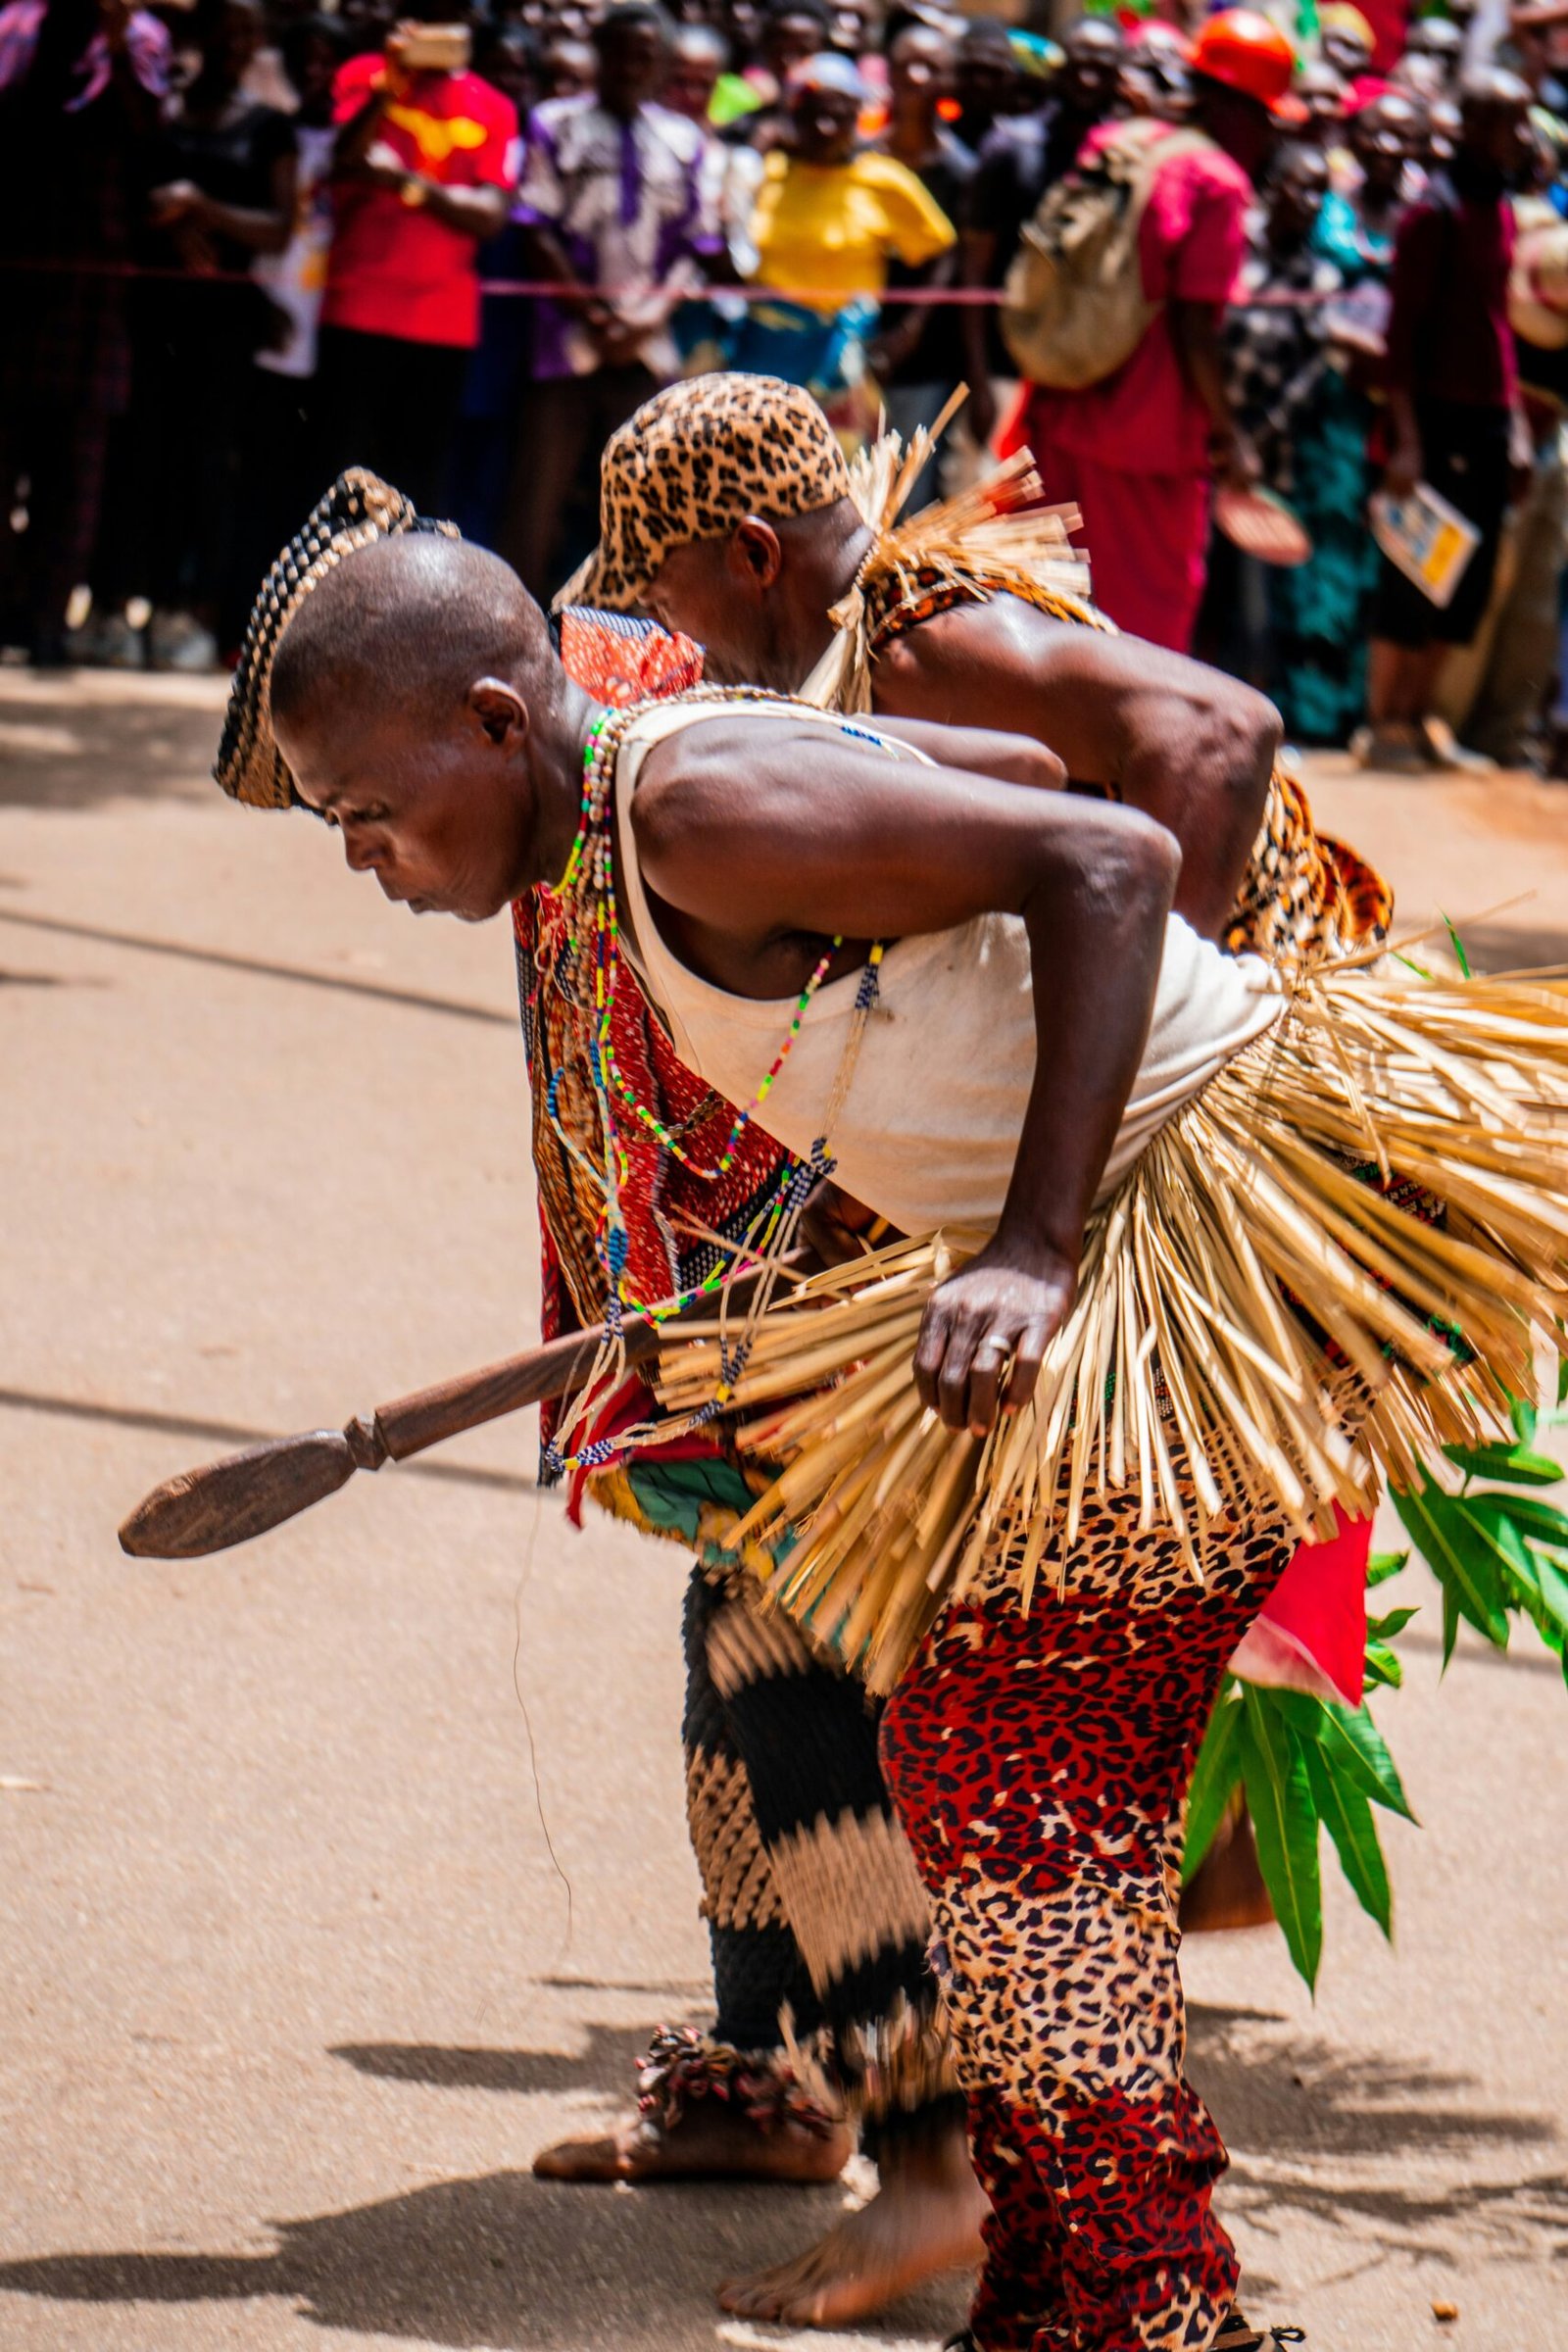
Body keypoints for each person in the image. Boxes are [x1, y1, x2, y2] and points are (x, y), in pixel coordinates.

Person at [209, 466, 1568, 2352]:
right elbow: (1011, 807)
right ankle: (1081, 2275)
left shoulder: (685, 804)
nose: (365, 855)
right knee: (988, 1753)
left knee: (1016, 1772)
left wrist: (1026, 1238)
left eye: (366, 811)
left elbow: (1108, 860)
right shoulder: (657, 802)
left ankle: (1136, 2298)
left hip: (1210, 1219)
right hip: (1150, 1203)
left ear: (500, 725)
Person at [543, 371, 1395, 2323]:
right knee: (897, 1674)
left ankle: (1060, 2221)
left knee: (993, 1737)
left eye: (672, 587)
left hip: (1193, 1144)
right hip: (1104, 1128)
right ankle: (920, 2135)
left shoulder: (919, 617)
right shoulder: (840, 664)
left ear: (748, 551)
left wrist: (1088, 1120)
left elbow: (1216, 724)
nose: (677, 634)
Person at [1006, 8, 1292, 654]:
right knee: (1145, 629)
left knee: (1043, 607)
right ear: (1243, 108)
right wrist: (1229, 432)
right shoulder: (1218, 182)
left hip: (1064, 399)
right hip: (1150, 440)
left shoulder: (1120, 142)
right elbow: (1195, 325)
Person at [508, 0, 719, 597]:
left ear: (660, 65)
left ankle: (631, 631)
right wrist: (592, 313)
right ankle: (518, 620)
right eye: (619, 53)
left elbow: (696, 243)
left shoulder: (683, 139)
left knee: (648, 496)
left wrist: (646, 316)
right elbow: (533, 225)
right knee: (539, 492)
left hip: (647, 346)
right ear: (600, 56)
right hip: (566, 341)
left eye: (645, 56)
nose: (630, 66)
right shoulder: (556, 123)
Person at [1356, 68, 1534, 770]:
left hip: (1490, 420)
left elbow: (1500, 327)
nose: (1517, 135)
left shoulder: (1502, 206)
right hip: (1434, 418)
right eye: (1503, 120)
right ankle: (1383, 723)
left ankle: (1424, 715)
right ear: (1470, 125)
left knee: (1468, 579)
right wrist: (1406, 440)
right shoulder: (1436, 210)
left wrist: (1516, 424)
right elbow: (1402, 336)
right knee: (1415, 574)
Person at [122, 0, 296, 663]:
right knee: (142, 458)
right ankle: (118, 602)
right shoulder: (163, 111)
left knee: (206, 465)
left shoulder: (268, 127)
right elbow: (140, 193)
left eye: (250, 31)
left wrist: (201, 207)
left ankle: (185, 611)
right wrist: (177, 220)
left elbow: (276, 227)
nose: (238, 42)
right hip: (154, 310)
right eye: (229, 27)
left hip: (225, 327)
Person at [0, 0, 168, 664]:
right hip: (13, 275)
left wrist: (118, 45)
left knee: (76, 475)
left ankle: (47, 624)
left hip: (95, 289)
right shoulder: (13, 25)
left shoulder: (142, 34)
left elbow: (150, 137)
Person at [316, 6, 516, 511]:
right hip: (358, 307)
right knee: (339, 475)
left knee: (417, 482)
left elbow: (490, 215)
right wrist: (387, 89)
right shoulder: (366, 77)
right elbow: (342, 160)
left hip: (442, 323)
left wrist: (405, 182)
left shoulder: (494, 105)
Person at [728, 51, 956, 443]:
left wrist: (908, 331)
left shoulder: (882, 179)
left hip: (838, 362)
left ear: (856, 117)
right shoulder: (771, 171)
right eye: (812, 113)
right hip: (762, 354)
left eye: (838, 115)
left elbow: (941, 250)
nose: (825, 127)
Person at [959, 15, 1128, 452]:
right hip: (1005, 373)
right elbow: (973, 273)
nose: (1089, 79)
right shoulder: (1012, 150)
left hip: (1089, 380)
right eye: (1080, 64)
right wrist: (978, 384)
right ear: (1060, 67)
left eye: (1103, 68)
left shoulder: (1128, 159)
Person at [869, 20, 976, 505]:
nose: (915, 77)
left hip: (926, 361)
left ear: (947, 82)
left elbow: (959, 263)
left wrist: (909, 332)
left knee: (908, 504)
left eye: (930, 68)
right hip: (851, 360)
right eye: (905, 65)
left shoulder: (962, 171)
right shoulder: (859, 158)